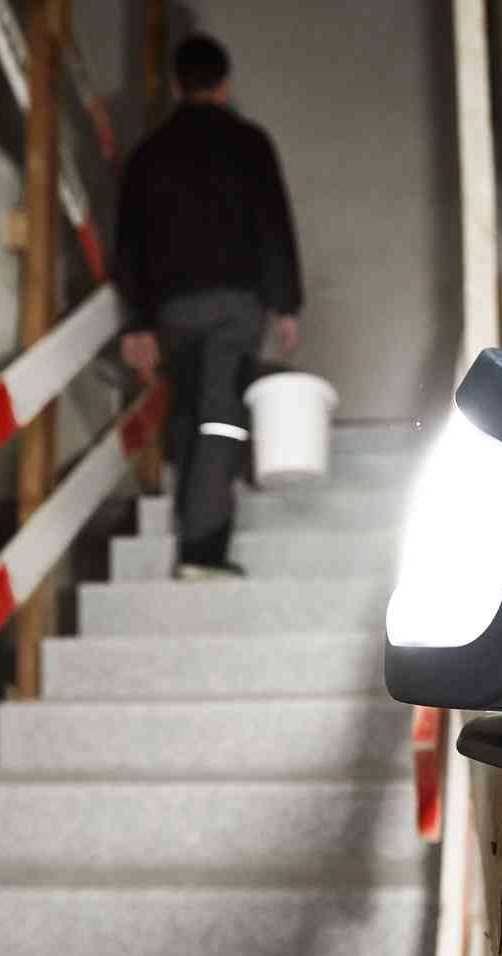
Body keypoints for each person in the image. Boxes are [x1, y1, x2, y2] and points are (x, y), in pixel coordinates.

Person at [115, 32, 303, 581]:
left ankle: (193, 518)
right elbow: (274, 225)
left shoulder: (149, 153)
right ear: (225, 84)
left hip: (173, 306)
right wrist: (287, 304)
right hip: (236, 303)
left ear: (176, 86)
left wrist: (138, 322)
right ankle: (201, 549)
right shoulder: (250, 143)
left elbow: (129, 243)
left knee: (190, 408)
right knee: (221, 418)